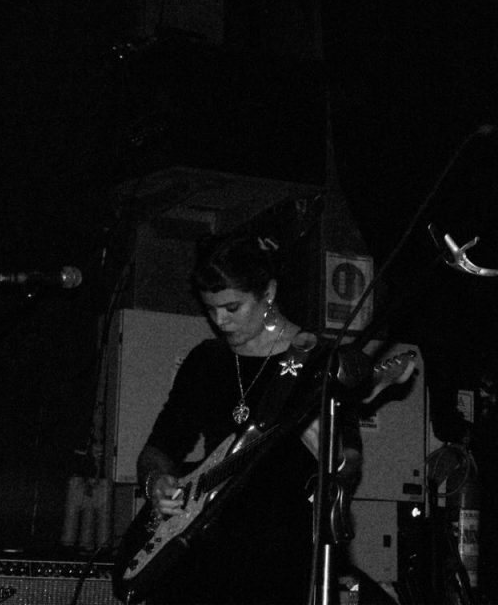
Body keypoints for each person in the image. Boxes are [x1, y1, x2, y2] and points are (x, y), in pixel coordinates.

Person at [134, 234, 364, 605]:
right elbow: (159, 448)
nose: (220, 321)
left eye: (232, 307)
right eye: (210, 309)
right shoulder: (206, 361)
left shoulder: (317, 360)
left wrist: (329, 451)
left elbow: (349, 461)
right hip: (203, 549)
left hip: (281, 554)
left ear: (268, 293)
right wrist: (155, 482)